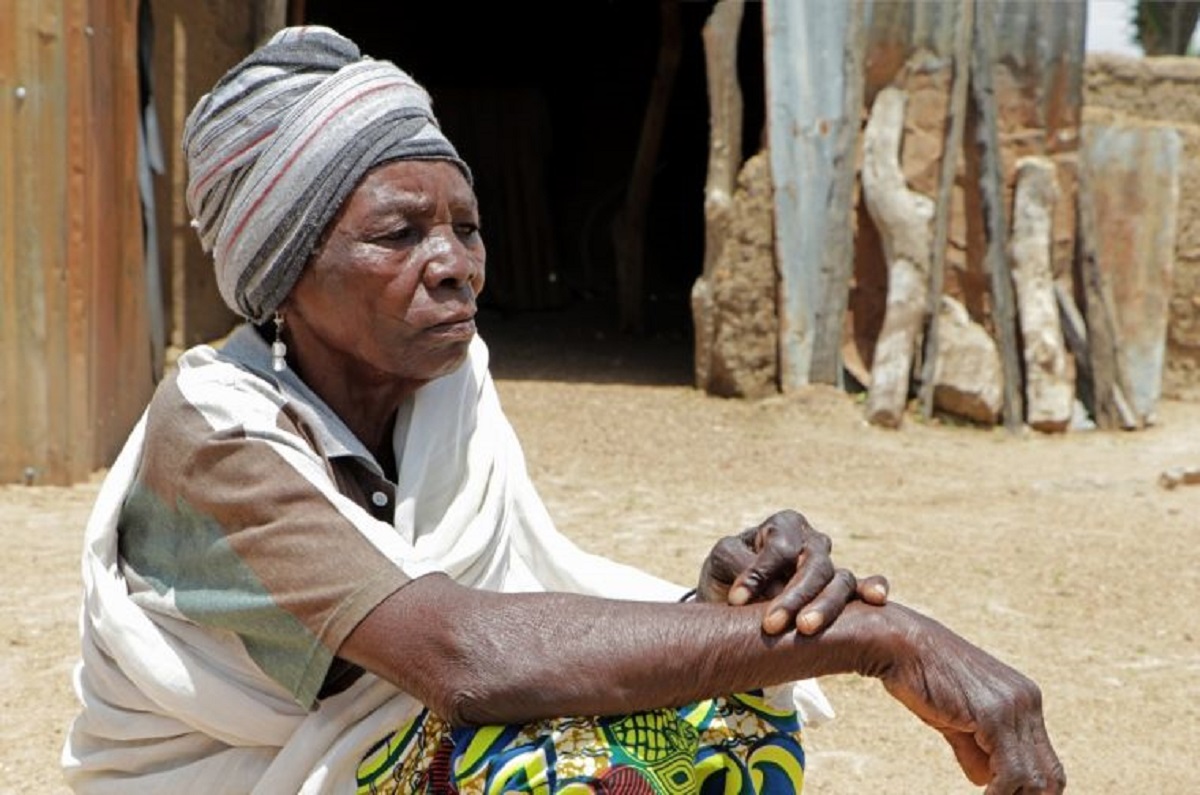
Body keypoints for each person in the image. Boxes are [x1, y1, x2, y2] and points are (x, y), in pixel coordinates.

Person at [61, 25, 1064, 795]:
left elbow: (515, 616)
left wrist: (719, 612)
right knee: (561, 771)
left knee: (729, 722)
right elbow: (464, 658)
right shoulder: (218, 443)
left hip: (380, 748)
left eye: (466, 227)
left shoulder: (441, 393)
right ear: (285, 271)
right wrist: (879, 638)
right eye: (399, 234)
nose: (452, 266)